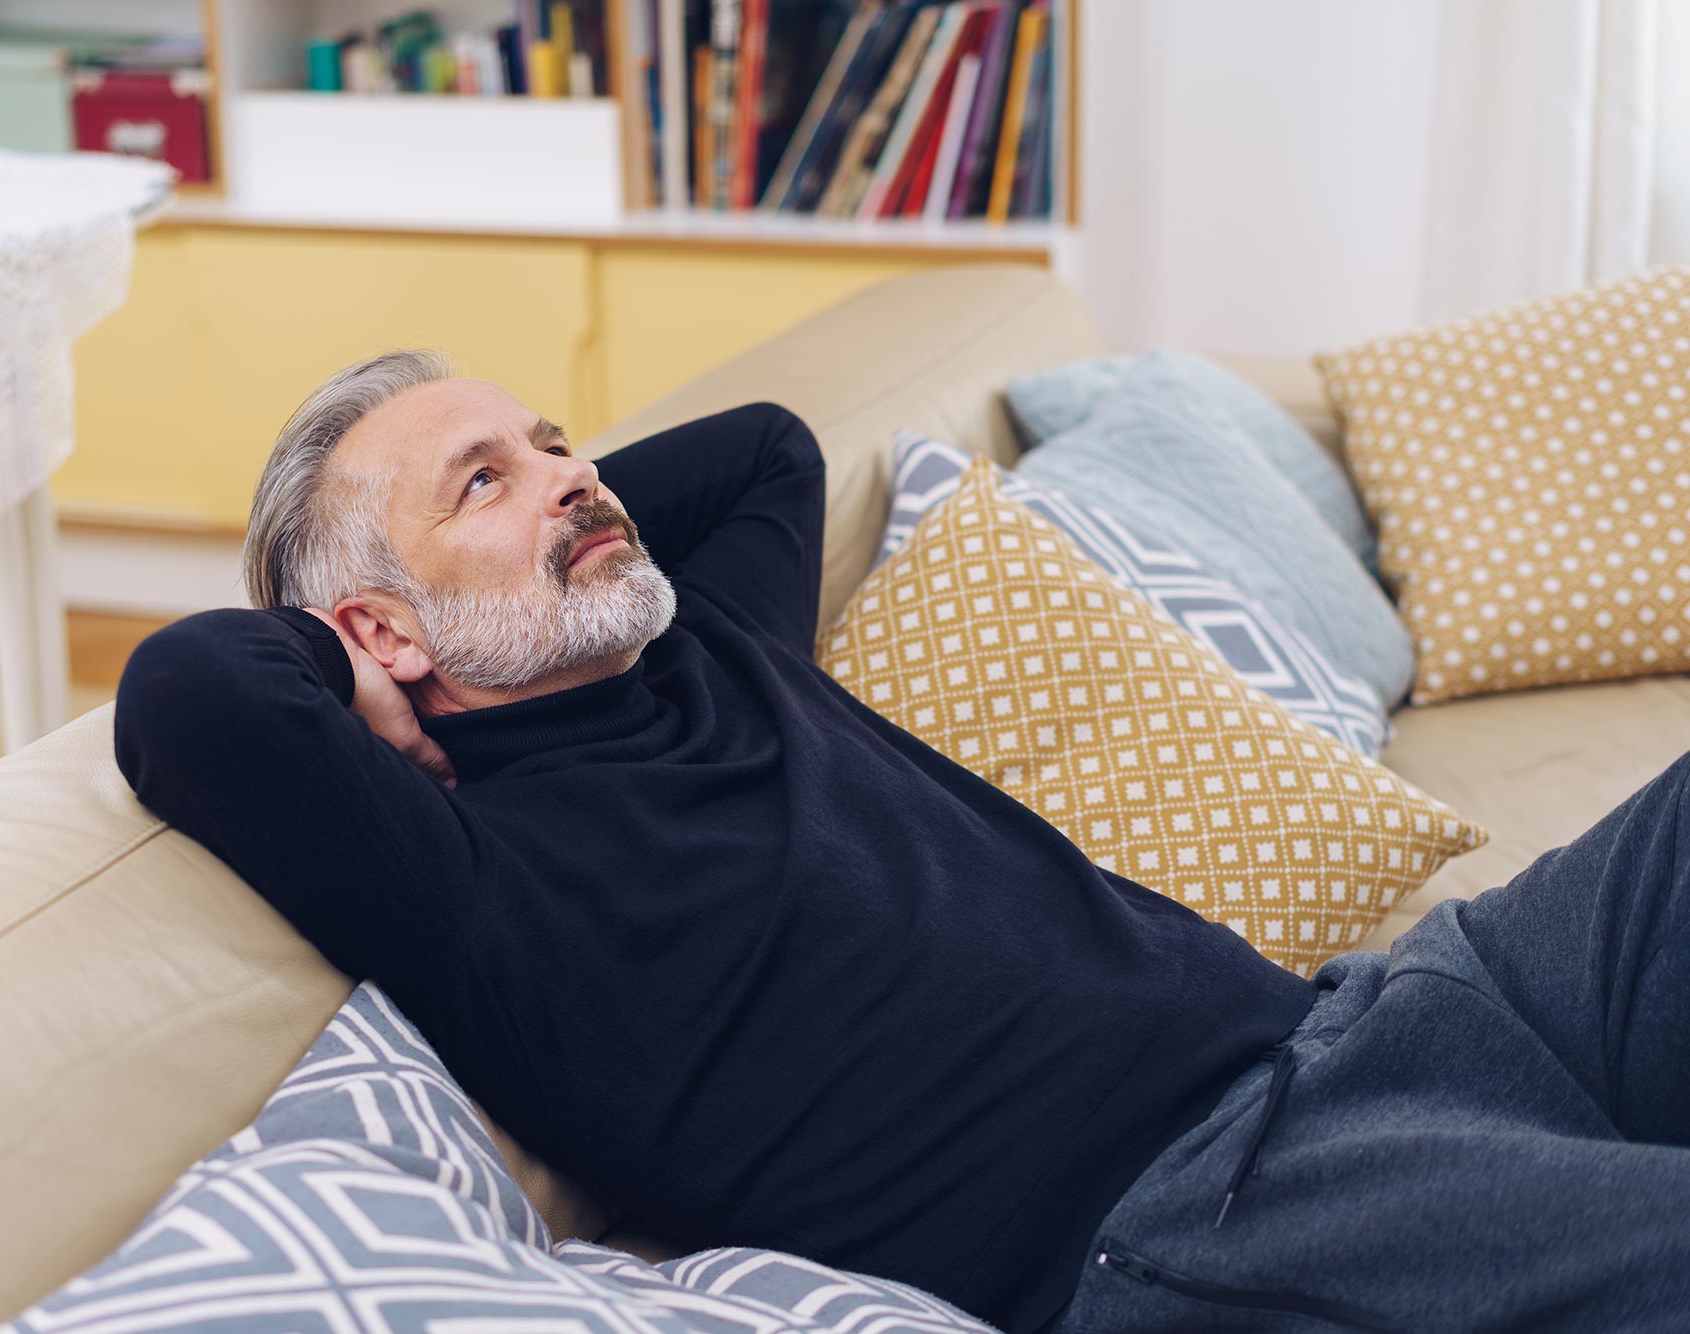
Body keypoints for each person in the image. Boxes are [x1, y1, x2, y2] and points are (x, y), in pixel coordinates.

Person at [113, 348, 1690, 1334]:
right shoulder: (475, 877)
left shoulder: (711, 636)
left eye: (554, 440)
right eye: (488, 478)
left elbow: (766, 445)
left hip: (1400, 1010)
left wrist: (535, 530)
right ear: (380, 627)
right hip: (1215, 1209)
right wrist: (339, 654)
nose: (575, 476)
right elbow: (182, 694)